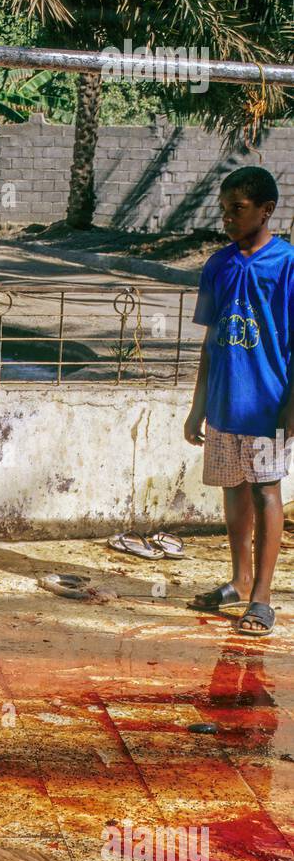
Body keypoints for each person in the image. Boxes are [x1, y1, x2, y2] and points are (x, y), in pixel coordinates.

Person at [184, 166, 294, 637]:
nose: (228, 217)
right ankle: (239, 578)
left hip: (269, 405)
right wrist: (197, 406)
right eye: (224, 209)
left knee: (266, 491)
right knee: (232, 491)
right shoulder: (218, 265)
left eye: (238, 208)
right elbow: (210, 342)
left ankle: (262, 598)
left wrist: (291, 409)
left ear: (266, 210)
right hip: (225, 405)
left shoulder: (286, 265)